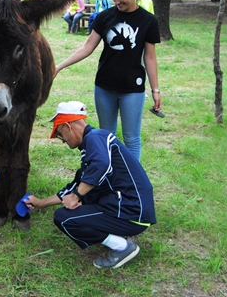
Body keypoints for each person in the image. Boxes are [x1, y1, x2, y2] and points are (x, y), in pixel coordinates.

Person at [24, 101, 156, 269]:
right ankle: (117, 232)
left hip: (132, 212)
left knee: (64, 219)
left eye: (59, 134)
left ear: (68, 126)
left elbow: (100, 166)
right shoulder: (92, 145)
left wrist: (76, 196)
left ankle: (122, 247)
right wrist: (42, 203)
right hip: (132, 209)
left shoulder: (95, 137)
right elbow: (78, 184)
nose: (62, 141)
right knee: (85, 195)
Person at [54, 0, 162, 161]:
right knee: (106, 136)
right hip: (104, 86)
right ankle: (109, 176)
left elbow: (150, 58)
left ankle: (131, 182)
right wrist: (59, 67)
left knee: (131, 138)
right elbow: (87, 47)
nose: (117, 1)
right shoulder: (105, 17)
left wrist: (155, 90)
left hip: (132, 89)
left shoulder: (148, 21)